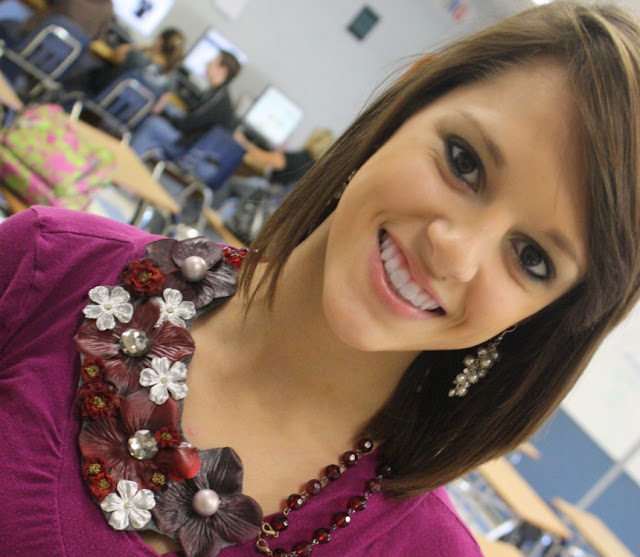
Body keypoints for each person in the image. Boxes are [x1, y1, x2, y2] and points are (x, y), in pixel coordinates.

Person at [2, 2, 640, 556]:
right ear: (405, 106)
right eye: (464, 162)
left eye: (532, 258)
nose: (455, 253)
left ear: (551, 314)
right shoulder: (49, 265)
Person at [130, 51, 241, 160]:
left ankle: (130, 157)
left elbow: (187, 124)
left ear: (222, 70)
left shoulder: (217, 99)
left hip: (187, 147)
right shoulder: (218, 93)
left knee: (153, 123)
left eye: (213, 61)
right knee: (167, 107)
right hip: (189, 137)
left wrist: (163, 114)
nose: (208, 63)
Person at [87, 27, 186, 97]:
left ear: (159, 41)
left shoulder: (137, 57)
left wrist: (141, 47)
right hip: (125, 114)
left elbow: (116, 54)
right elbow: (156, 109)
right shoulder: (171, 81)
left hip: (101, 94)